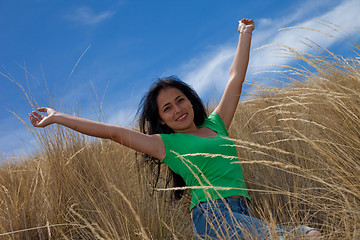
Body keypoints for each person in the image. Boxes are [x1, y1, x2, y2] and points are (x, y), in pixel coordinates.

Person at [29, 19, 320, 239]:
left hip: (243, 210)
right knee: (304, 235)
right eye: (167, 108)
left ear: (191, 102)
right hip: (213, 215)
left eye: (180, 101)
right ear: (163, 121)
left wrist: (245, 36)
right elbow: (114, 133)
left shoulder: (217, 124)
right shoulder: (166, 145)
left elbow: (235, 80)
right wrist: (59, 117)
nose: (177, 109)